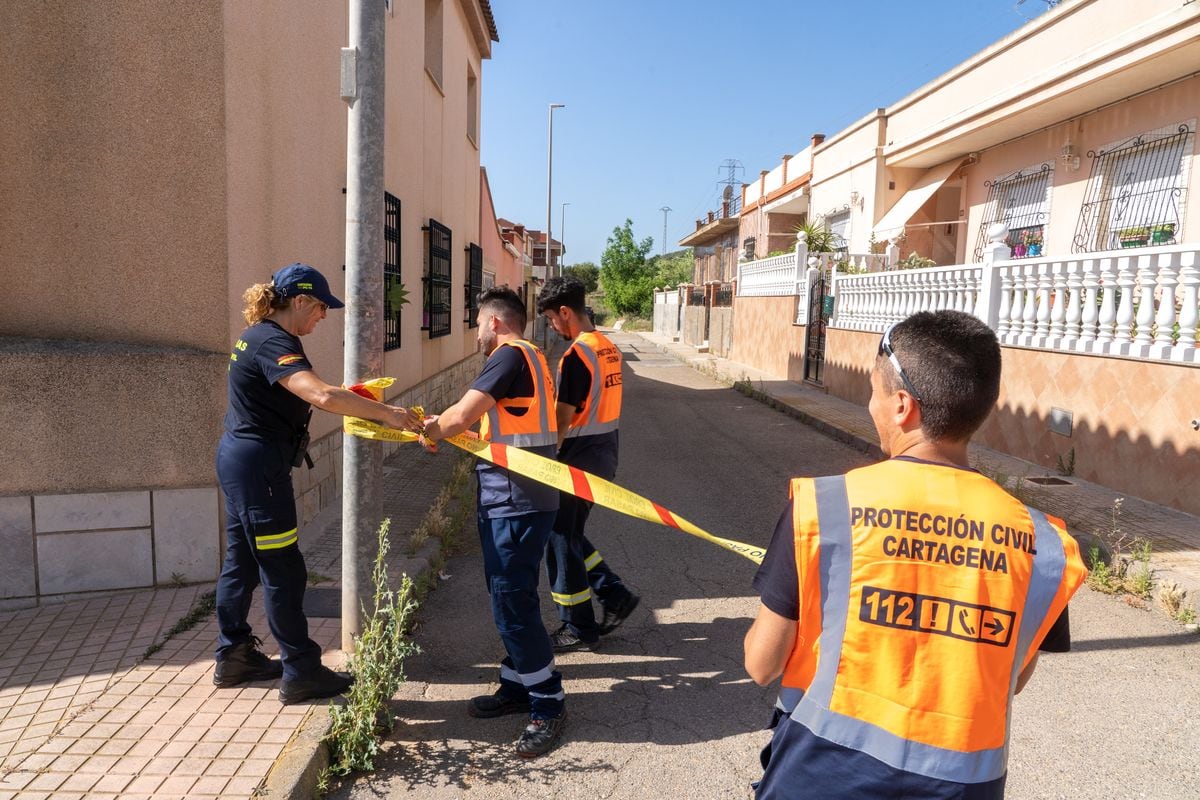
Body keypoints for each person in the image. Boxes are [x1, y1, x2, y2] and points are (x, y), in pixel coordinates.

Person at [743, 310, 1087, 799]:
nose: (871, 406)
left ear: (903, 405)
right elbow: (1009, 677)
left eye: (874, 393)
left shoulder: (824, 507)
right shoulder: (1045, 545)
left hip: (819, 774)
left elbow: (762, 663)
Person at [215, 263, 415, 705]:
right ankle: (301, 670)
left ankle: (234, 656)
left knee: (242, 563)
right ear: (300, 300)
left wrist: (350, 394)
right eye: (322, 306)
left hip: (240, 462)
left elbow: (312, 390)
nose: (324, 316)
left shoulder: (256, 336)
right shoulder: (273, 341)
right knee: (283, 569)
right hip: (260, 469)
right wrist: (389, 413)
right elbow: (321, 396)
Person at [419, 286, 566, 758]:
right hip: (521, 498)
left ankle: (548, 701)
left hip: (516, 501)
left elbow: (462, 415)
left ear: (496, 322)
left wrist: (423, 429)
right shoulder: (535, 357)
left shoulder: (506, 356)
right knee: (512, 596)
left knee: (511, 603)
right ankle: (517, 683)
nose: (476, 332)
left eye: (478, 323)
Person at [535, 276, 640, 652]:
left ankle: (578, 625)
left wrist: (544, 462)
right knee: (568, 533)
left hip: (576, 458)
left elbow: (563, 419)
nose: (552, 326)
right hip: (603, 452)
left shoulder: (578, 355)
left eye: (551, 319)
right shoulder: (607, 347)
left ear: (565, 312)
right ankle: (613, 594)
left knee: (560, 539)